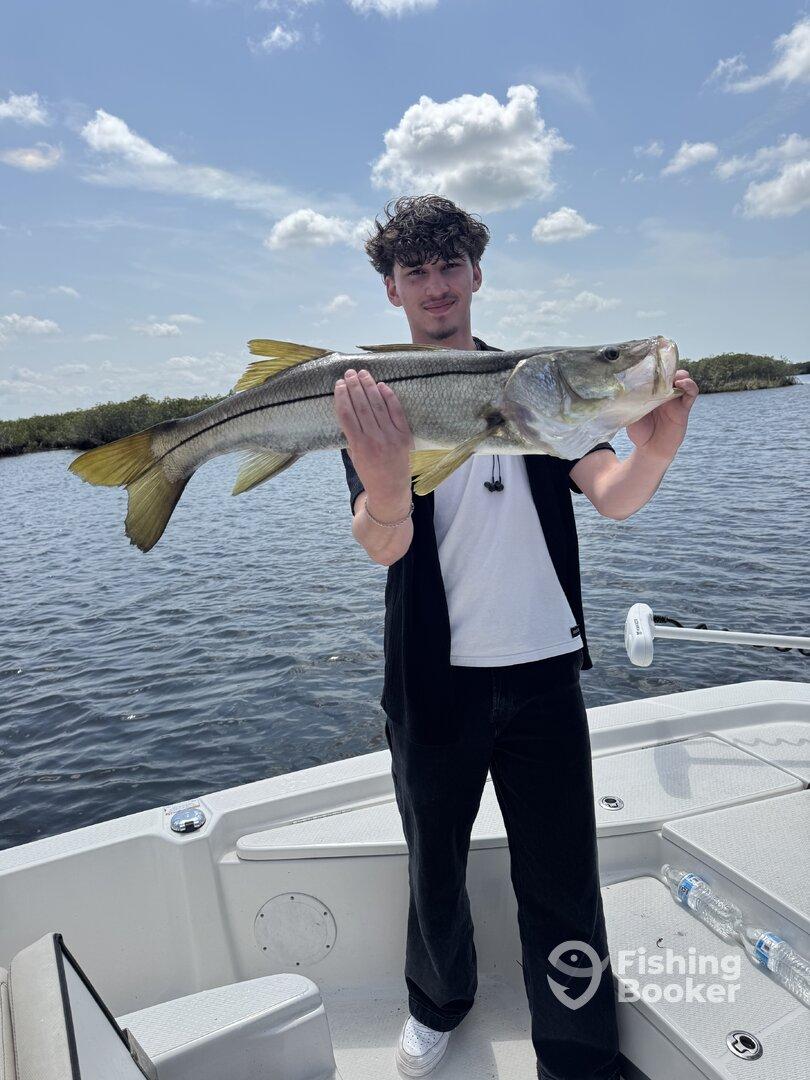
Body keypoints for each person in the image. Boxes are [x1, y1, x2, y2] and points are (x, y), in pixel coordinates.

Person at [332, 195, 698, 1080]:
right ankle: (438, 1004)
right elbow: (384, 544)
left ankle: (575, 1053)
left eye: (449, 266)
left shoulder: (540, 386)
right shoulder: (375, 400)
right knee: (434, 869)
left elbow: (611, 492)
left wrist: (656, 448)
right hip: (432, 681)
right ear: (392, 291)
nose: (435, 286)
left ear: (476, 275)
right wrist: (386, 487)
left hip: (541, 673)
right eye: (414, 272)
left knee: (564, 875)